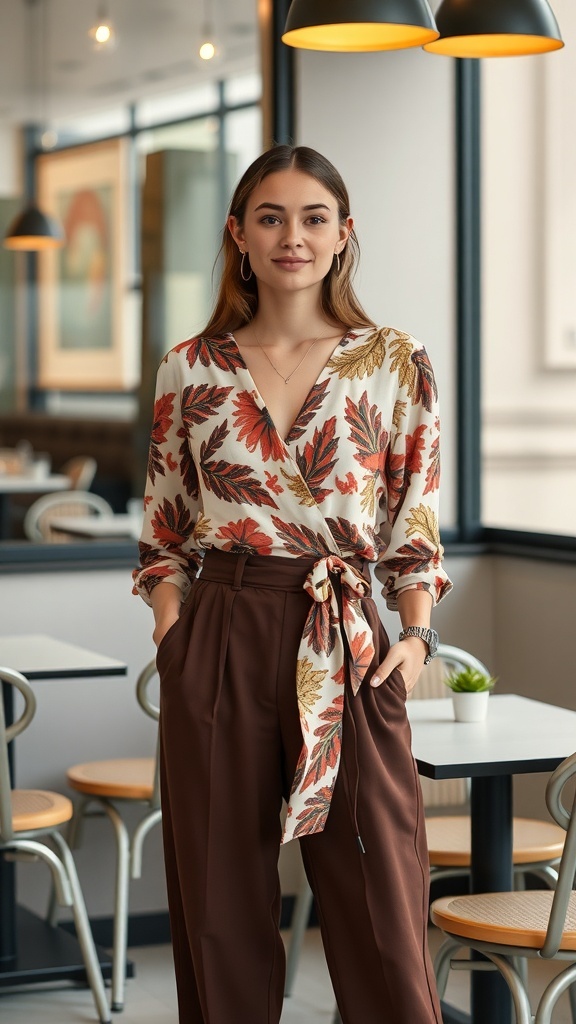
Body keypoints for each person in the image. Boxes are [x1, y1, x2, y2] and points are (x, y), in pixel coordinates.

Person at [133, 144, 452, 1024]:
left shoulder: (393, 359)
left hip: (348, 637)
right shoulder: (190, 366)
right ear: (238, 234)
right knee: (219, 901)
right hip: (221, 627)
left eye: (314, 218)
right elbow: (164, 528)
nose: (293, 237)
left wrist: (416, 636)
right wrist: (174, 633)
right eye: (270, 218)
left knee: (380, 896)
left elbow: (415, 519)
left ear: (344, 233)